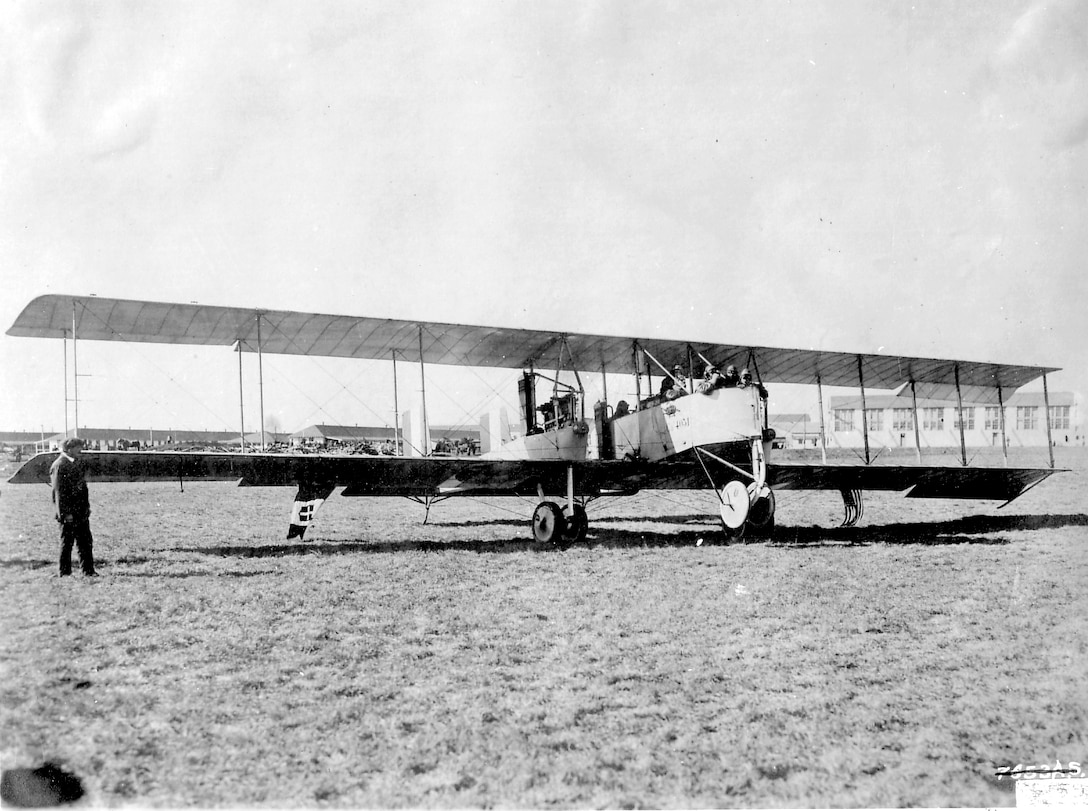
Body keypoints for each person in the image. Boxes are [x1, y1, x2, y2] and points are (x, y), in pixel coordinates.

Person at [50, 437, 97, 577]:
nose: (80, 450)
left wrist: (86, 508)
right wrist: (65, 514)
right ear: (69, 449)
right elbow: (59, 492)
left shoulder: (75, 463)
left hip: (81, 512)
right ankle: (64, 573)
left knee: (85, 542)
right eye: (78, 447)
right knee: (67, 543)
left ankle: (88, 571)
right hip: (69, 514)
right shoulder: (59, 465)